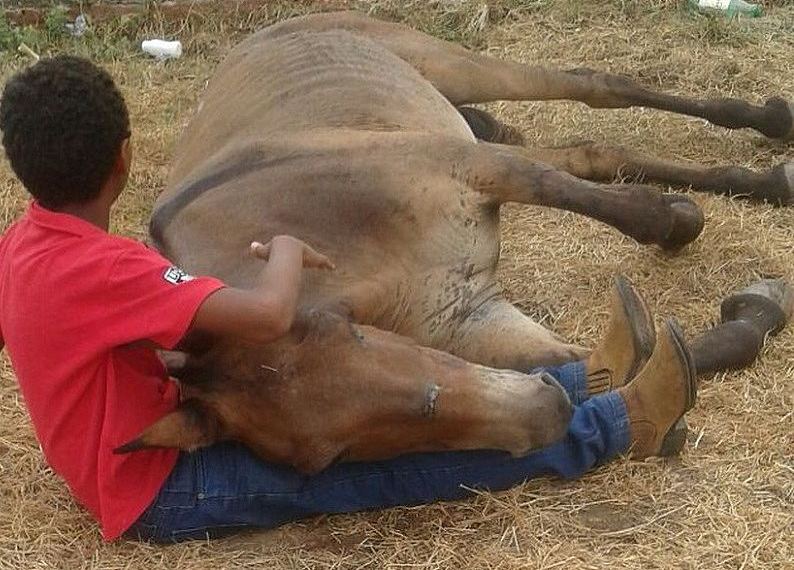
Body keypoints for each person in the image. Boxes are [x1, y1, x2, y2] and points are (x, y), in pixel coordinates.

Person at [0, 55, 695, 543]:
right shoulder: (109, 266)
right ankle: (613, 430)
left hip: (126, 454)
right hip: (161, 490)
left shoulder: (19, 248)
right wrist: (286, 255)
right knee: (387, 470)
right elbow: (270, 315)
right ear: (127, 156)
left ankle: (582, 378)